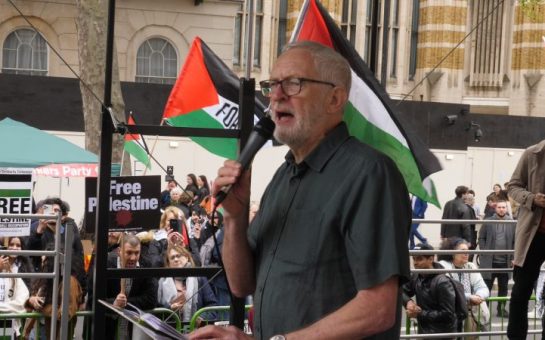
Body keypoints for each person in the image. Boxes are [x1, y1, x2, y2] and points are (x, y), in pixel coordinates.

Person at [190, 41, 411, 339]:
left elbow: (378, 309)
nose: (277, 95)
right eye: (273, 84)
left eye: (294, 83)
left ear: (335, 99)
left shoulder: (369, 174)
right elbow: (243, 284)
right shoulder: (284, 175)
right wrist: (234, 217)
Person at [506, 138, 545, 339]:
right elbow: (513, 186)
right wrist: (532, 198)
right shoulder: (532, 154)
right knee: (520, 293)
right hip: (532, 235)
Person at [88, 234, 157, 340]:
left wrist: (124, 304)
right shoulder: (103, 264)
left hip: (133, 330)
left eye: (136, 253)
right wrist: (113, 304)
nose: (133, 258)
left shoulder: (146, 264)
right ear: (119, 251)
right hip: (106, 329)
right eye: (129, 253)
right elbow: (93, 299)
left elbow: (151, 299)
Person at [403, 243, 458, 338]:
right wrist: (408, 302)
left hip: (442, 335)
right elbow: (401, 291)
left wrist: (420, 314)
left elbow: (448, 314)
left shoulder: (442, 282)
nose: (415, 263)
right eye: (414, 259)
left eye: (419, 259)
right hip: (424, 332)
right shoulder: (416, 276)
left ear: (431, 259)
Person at [438, 237, 490, 336]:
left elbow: (483, 287)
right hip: (449, 316)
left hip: (466, 316)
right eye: (462, 251)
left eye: (467, 251)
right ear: (452, 253)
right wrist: (469, 297)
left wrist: (479, 296)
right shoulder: (443, 266)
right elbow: (449, 291)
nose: (466, 253)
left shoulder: (470, 266)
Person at [478, 199, 515, 317]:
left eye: (504, 207)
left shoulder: (512, 223)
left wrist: (514, 257)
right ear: (495, 208)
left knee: (503, 288)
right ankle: (486, 310)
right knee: (486, 287)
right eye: (499, 207)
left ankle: (501, 309)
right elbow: (481, 237)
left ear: (506, 209)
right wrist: (484, 251)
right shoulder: (488, 221)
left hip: (505, 262)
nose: (502, 209)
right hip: (490, 262)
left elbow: (516, 241)